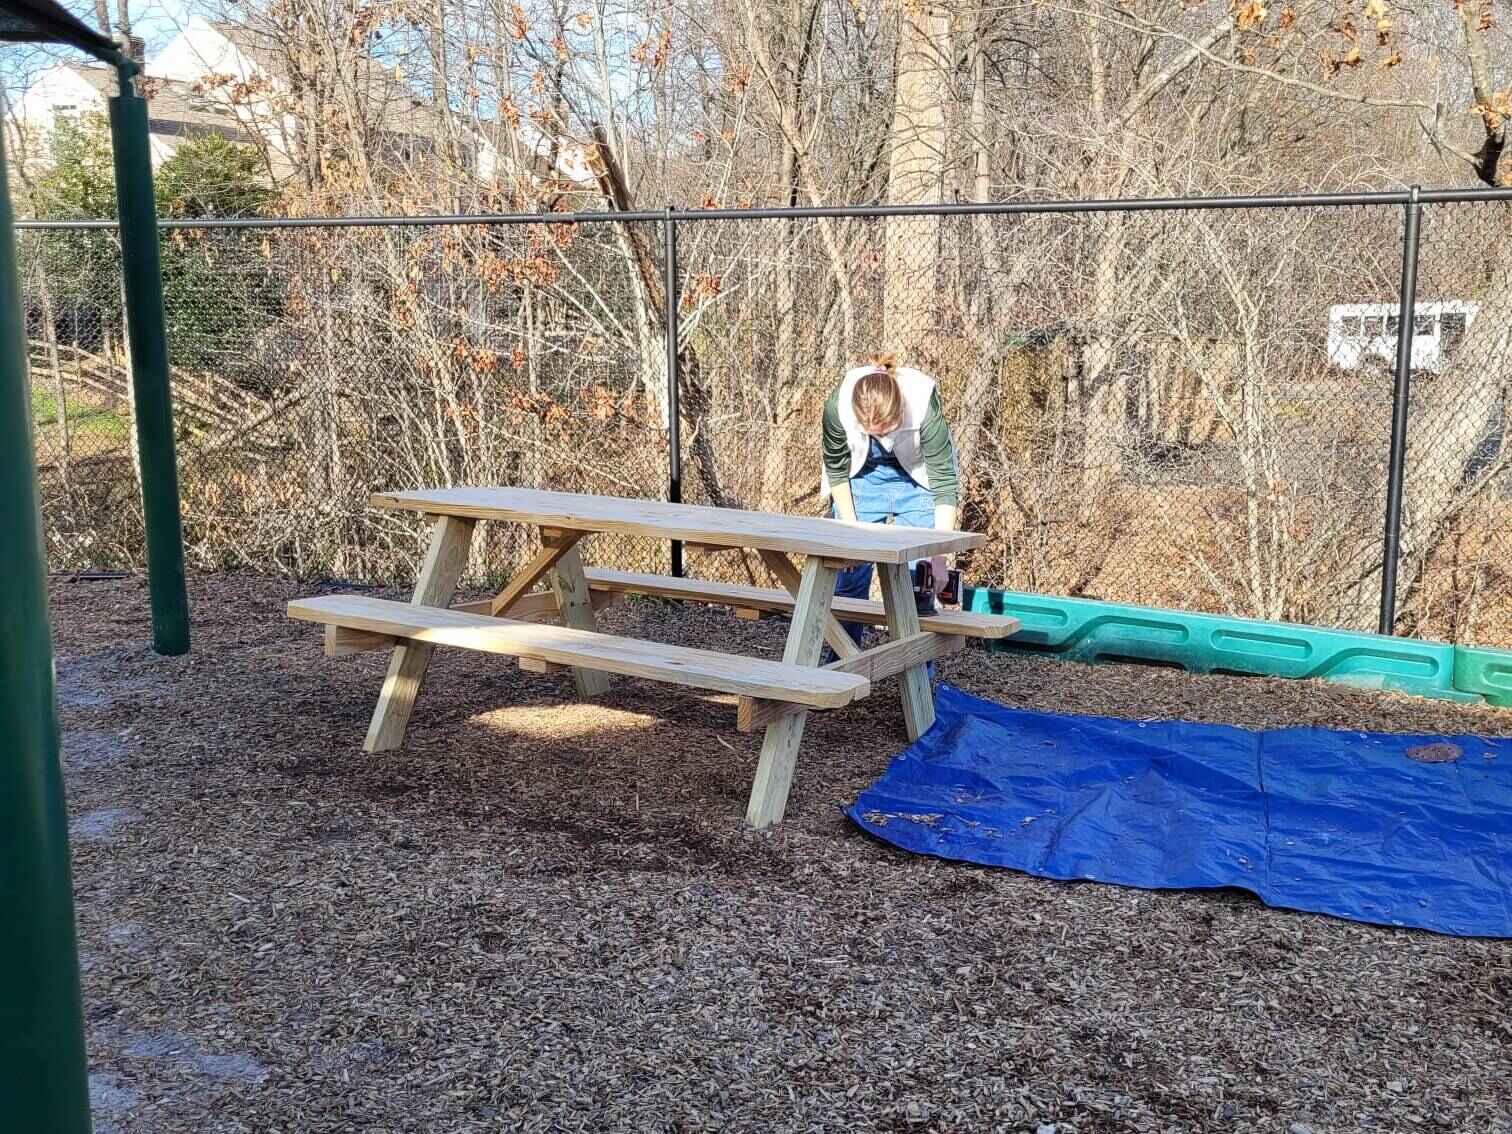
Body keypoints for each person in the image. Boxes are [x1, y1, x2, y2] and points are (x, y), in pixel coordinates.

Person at [820, 352, 961, 660]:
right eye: (873, 432)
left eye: (888, 428)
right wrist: (851, 531)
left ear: (900, 410)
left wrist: (938, 556)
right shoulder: (837, 407)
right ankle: (839, 666)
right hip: (862, 478)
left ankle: (917, 678)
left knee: (920, 586)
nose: (882, 436)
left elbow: (944, 483)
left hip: (917, 479)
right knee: (848, 576)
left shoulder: (924, 404)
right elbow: (836, 470)